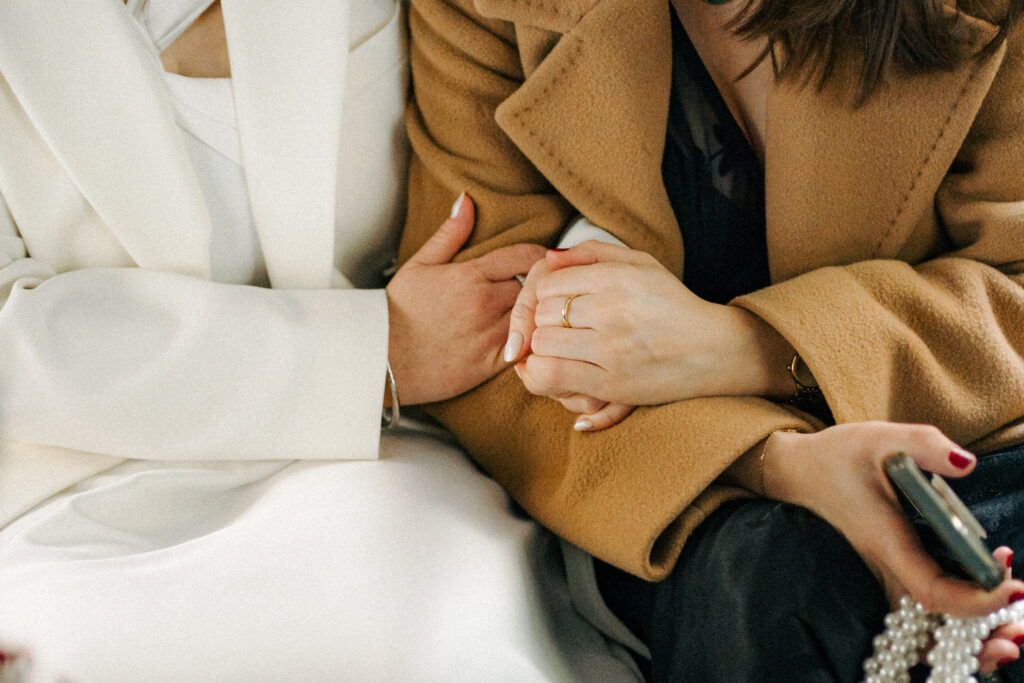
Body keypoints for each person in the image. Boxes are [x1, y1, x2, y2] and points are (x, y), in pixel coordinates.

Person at [0, 1, 644, 680]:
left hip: (387, 456)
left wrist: (572, 308)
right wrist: (380, 351)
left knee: (441, 617)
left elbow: (553, 172)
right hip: (79, 493)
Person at [401, 0, 1024, 678]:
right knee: (776, 587)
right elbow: (480, 339)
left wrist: (741, 345)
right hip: (692, 479)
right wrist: (772, 460)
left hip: (969, 431)